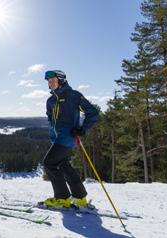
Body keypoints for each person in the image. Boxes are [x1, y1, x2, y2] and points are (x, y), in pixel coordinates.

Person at [42, 70, 99, 208]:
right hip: (58, 139)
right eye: (48, 81)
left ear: (61, 80)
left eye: (53, 80)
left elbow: (92, 113)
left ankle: (62, 198)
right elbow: (51, 120)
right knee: (63, 165)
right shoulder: (50, 101)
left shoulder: (73, 96)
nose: (50, 83)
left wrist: (82, 129)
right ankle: (80, 198)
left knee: (49, 164)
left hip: (66, 138)